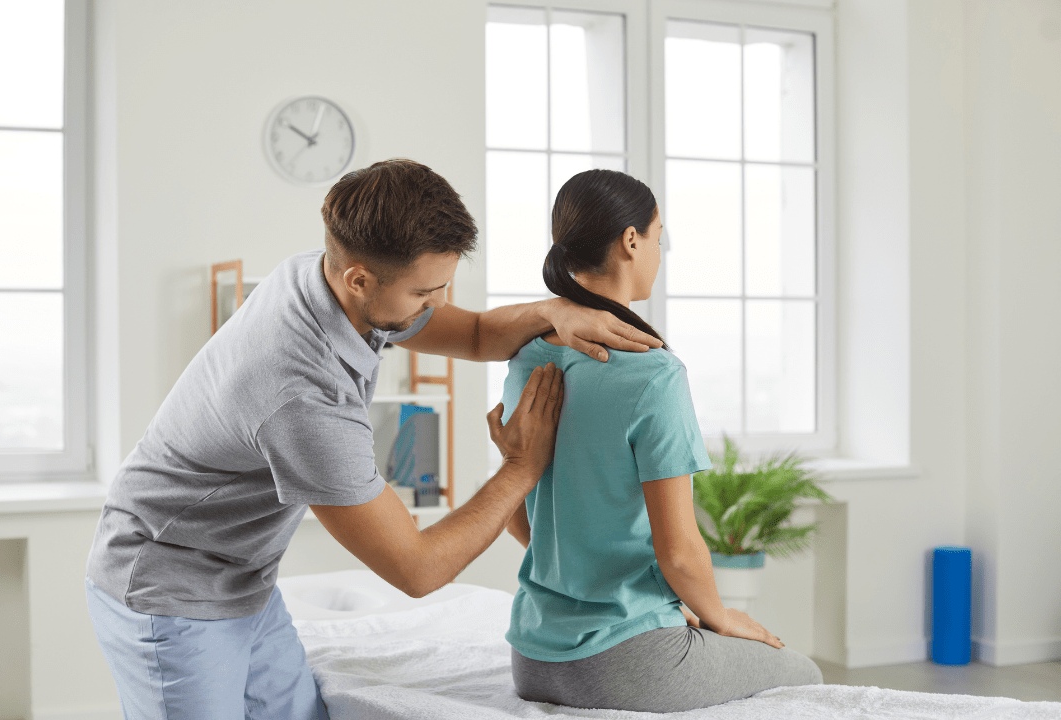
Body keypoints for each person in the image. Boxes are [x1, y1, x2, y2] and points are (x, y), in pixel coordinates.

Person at [85, 159, 666, 720]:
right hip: (170, 586)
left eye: (443, 285)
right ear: (359, 279)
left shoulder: (322, 276)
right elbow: (418, 570)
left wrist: (555, 312)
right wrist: (521, 466)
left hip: (244, 580)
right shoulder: (301, 396)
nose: (437, 304)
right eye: (423, 293)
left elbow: (475, 334)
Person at [497, 169, 823, 713]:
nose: (659, 253)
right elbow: (678, 551)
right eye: (658, 237)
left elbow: (515, 513)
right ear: (631, 240)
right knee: (805, 674)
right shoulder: (653, 373)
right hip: (627, 665)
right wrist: (721, 617)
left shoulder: (526, 358)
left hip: (532, 659)